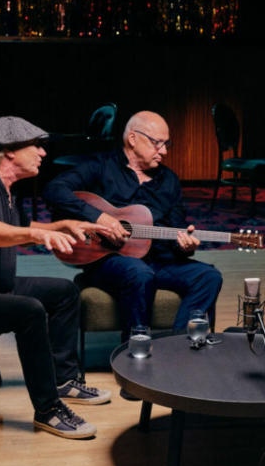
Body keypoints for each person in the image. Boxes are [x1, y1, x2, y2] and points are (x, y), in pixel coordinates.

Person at [0, 116, 112, 440]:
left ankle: (64, 380)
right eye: (36, 146)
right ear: (10, 151)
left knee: (65, 293)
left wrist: (68, 225)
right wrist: (37, 234)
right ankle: (48, 410)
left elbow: (26, 231)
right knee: (29, 311)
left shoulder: (6, 188)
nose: (43, 152)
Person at [43, 110, 223, 336]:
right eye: (158, 143)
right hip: (108, 259)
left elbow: (176, 232)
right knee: (139, 273)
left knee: (209, 276)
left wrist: (183, 246)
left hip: (158, 261)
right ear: (133, 139)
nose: (164, 151)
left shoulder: (169, 180)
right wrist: (98, 217)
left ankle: (179, 348)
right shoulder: (101, 166)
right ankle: (135, 350)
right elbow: (54, 190)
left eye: (167, 144)